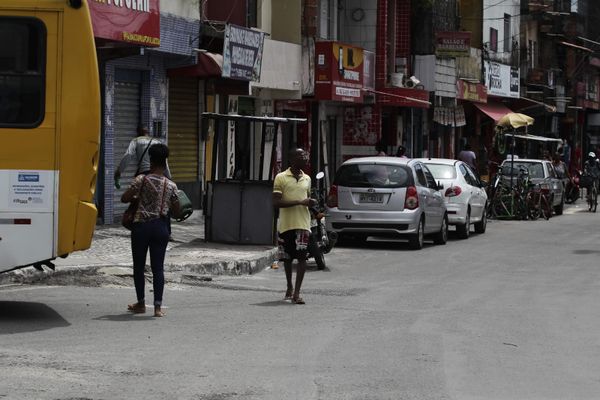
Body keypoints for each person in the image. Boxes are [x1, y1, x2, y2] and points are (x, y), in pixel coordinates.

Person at [121, 143, 180, 317]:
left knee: (139, 267)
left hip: (141, 228)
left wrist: (136, 196)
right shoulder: (171, 186)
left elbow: (125, 198)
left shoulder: (141, 180)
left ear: (151, 161)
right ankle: (158, 308)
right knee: (158, 268)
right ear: (165, 162)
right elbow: (177, 212)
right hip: (161, 228)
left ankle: (140, 303)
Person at [272, 148, 317, 305]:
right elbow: (276, 202)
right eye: (301, 155)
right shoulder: (281, 178)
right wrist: (300, 202)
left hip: (303, 224)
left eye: (305, 155)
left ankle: (297, 293)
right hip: (285, 225)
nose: (305, 157)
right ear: (292, 159)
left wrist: (311, 203)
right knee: (287, 259)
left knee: (302, 257)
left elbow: (307, 198)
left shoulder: (307, 178)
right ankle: (289, 287)